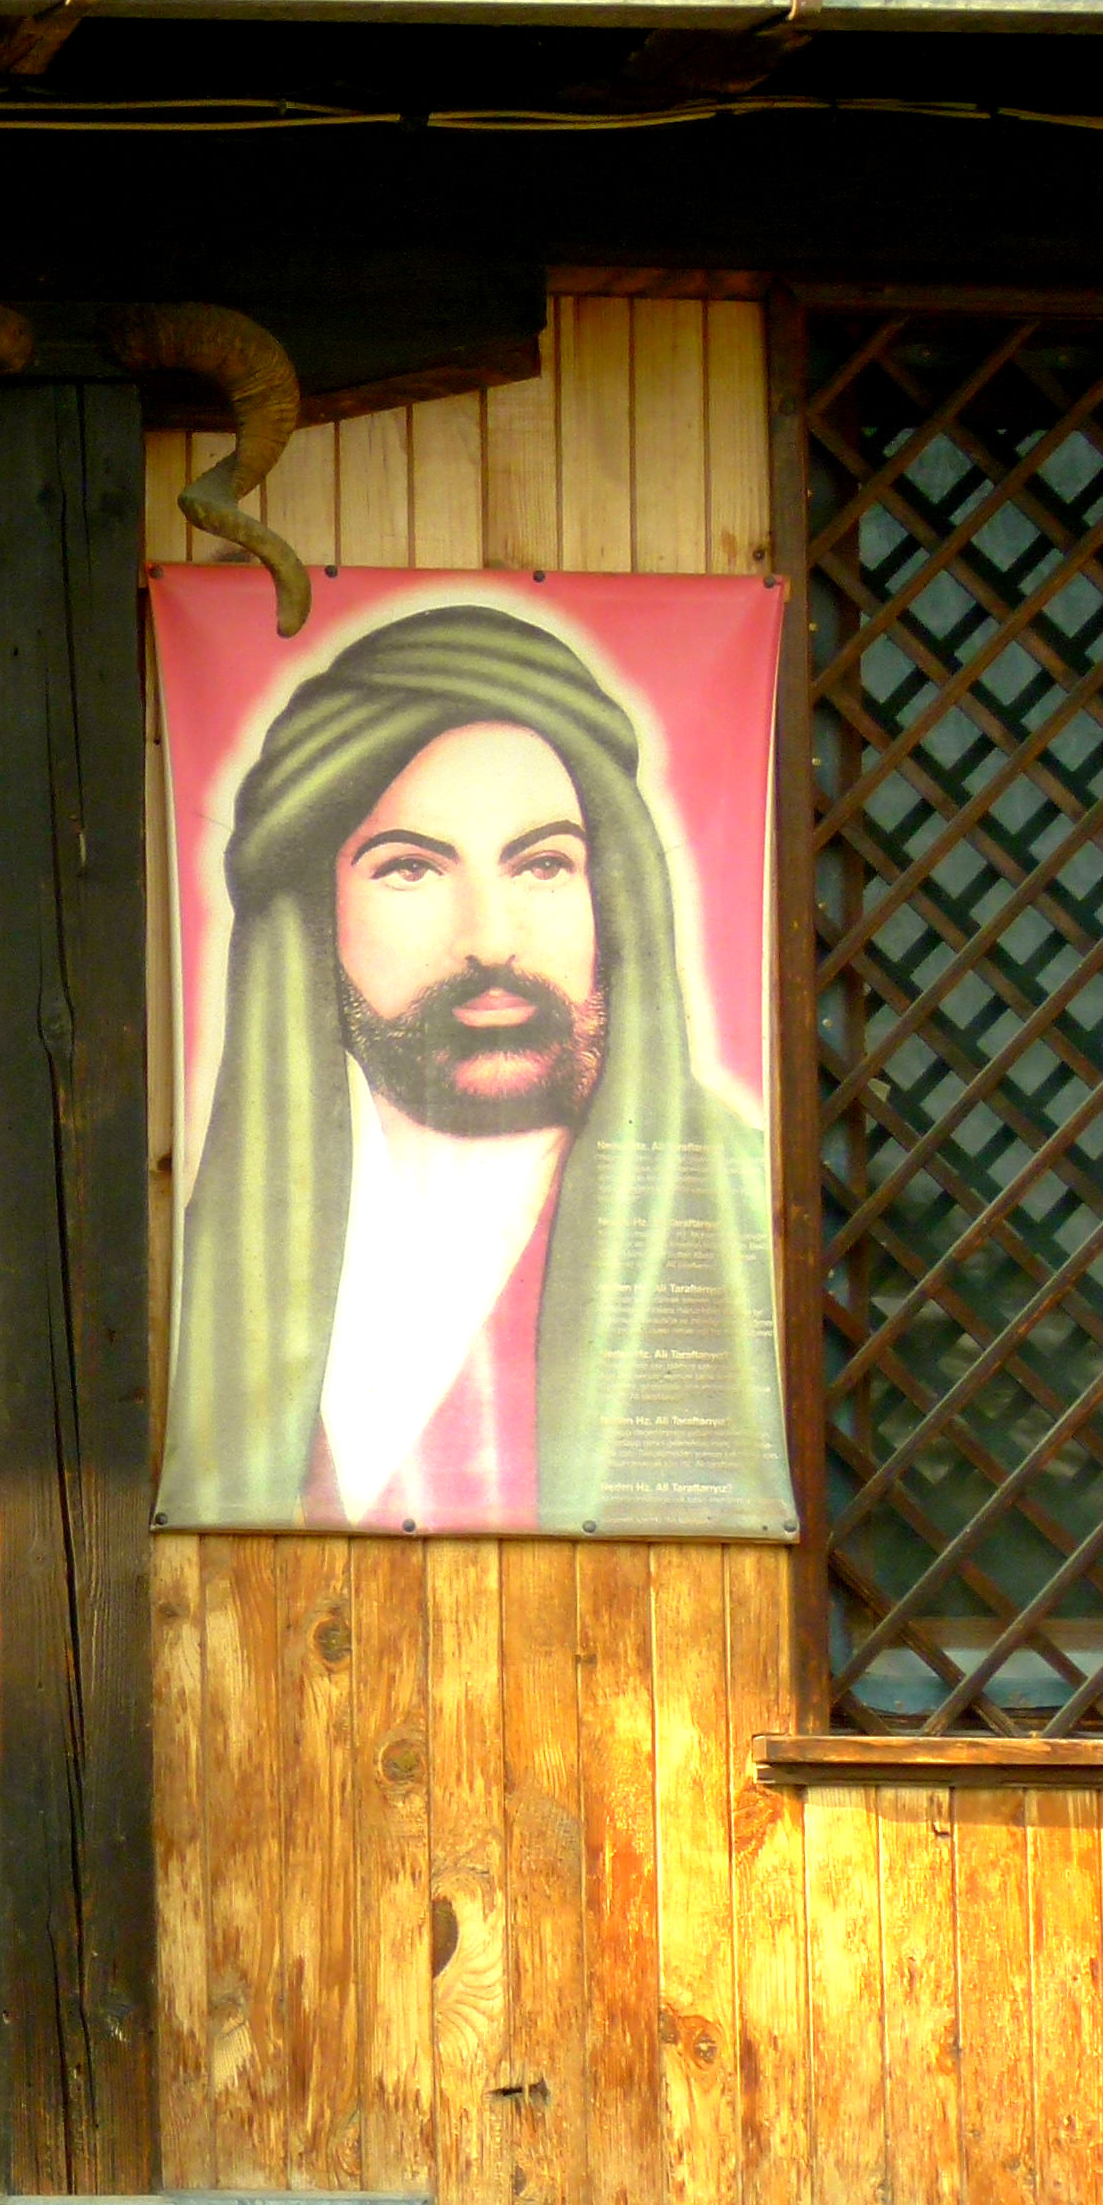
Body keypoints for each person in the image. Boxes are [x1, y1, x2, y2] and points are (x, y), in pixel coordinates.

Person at [161, 599, 789, 1535]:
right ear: (315, 914)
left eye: (543, 866)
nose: (491, 939)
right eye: (411, 869)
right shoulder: (216, 1231)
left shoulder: (735, 1195)